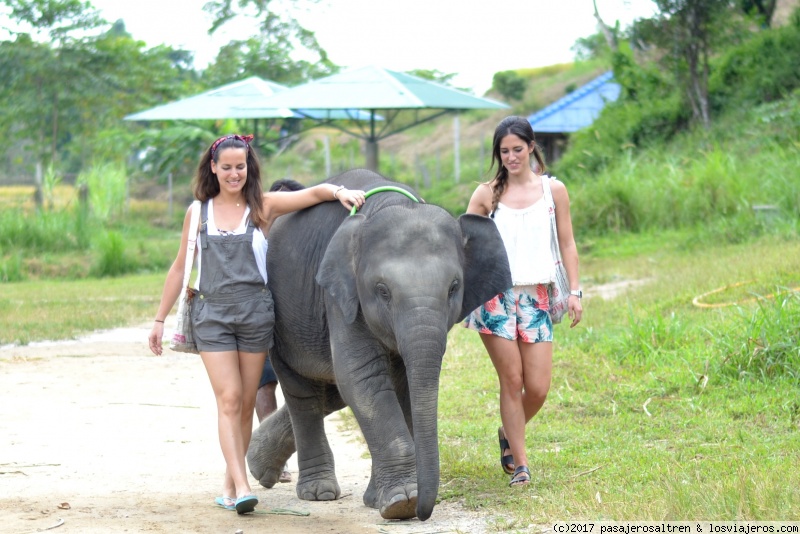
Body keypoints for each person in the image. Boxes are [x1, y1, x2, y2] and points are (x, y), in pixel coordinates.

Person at [148, 134, 365, 514]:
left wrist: (340, 192)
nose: (234, 173)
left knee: (247, 402)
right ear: (213, 168)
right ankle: (244, 485)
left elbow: (313, 195)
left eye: (241, 167)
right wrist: (158, 319)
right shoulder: (197, 213)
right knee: (229, 399)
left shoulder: (262, 206)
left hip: (255, 315)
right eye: (227, 167)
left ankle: (229, 486)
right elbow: (181, 266)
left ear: (249, 169)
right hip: (212, 315)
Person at [462, 116, 583, 488]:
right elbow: (465, 241)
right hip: (495, 298)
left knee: (539, 386)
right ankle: (521, 464)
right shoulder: (487, 194)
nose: (511, 157)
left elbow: (567, 242)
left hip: (538, 296)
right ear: (497, 154)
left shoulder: (553, 190)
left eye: (517, 149)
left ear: (531, 147)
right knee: (511, 380)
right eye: (504, 151)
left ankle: (508, 432)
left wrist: (575, 291)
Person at [254, 178, 305, 484]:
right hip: (261, 319)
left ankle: (296, 448)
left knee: (302, 387)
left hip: (296, 324)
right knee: (263, 385)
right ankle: (275, 453)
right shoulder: (258, 233)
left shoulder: (304, 240)